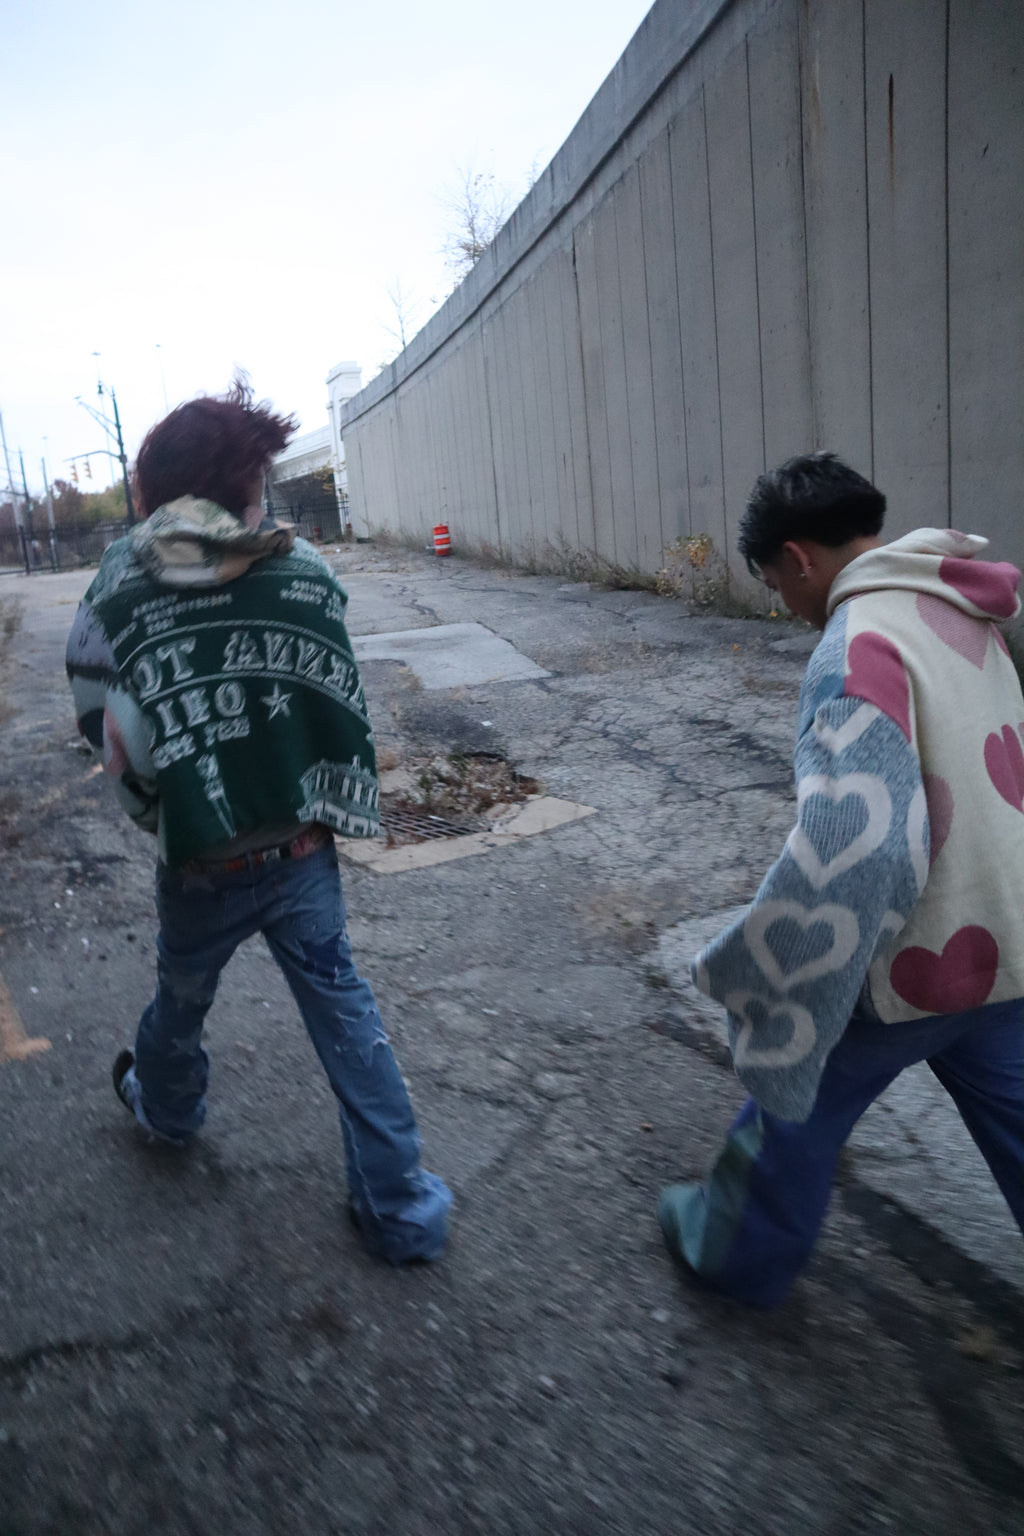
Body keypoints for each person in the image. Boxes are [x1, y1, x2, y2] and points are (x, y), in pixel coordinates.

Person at [66, 378, 451, 1265]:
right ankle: (398, 1208)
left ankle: (164, 1110)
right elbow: (332, 696)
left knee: (181, 1001)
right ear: (242, 487)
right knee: (347, 1017)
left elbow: (99, 710)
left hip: (199, 862)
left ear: (157, 492)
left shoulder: (115, 589)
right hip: (301, 849)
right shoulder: (303, 570)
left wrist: (163, 802)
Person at [658, 452, 1024, 1305]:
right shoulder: (961, 610)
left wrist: (773, 969)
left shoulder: (855, 647)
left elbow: (862, 843)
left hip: (918, 955)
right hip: (1007, 927)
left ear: (799, 557)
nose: (781, 602)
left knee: (794, 1098)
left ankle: (731, 1249)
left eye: (772, 582)